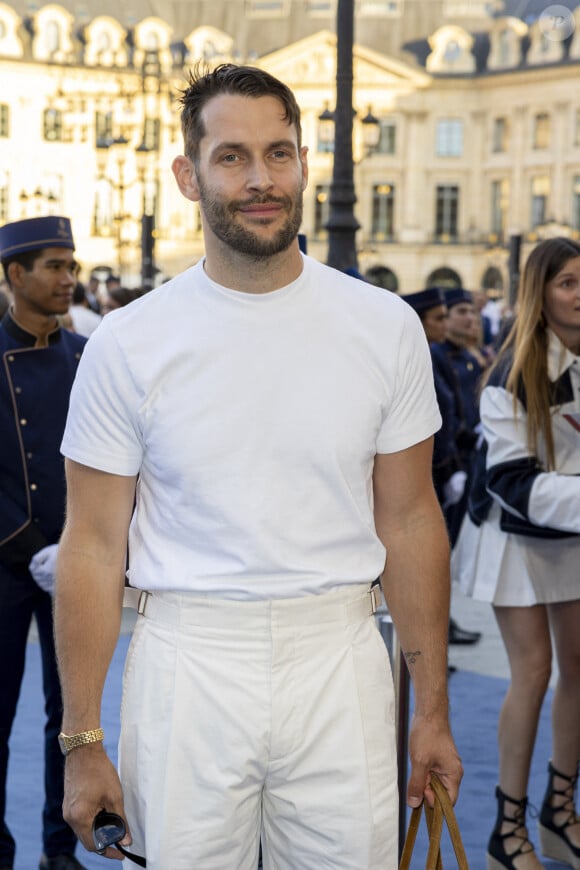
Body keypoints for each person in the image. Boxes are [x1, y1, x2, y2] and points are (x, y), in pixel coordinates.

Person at [54, 63, 462, 869]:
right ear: (189, 174)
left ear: (305, 162)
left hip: (341, 656)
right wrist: (82, 739)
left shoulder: (383, 328)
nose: (262, 179)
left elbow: (410, 517)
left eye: (280, 153)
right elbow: (93, 547)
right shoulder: (128, 344)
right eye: (233, 157)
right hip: (188, 662)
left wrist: (434, 711)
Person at [452, 237, 580, 870]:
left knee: (578, 669)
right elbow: (512, 481)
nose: (579, 294)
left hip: (572, 532)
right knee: (532, 673)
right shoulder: (511, 372)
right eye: (566, 283)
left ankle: (559, 812)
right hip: (514, 536)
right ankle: (509, 831)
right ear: (540, 293)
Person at [0, 216, 87, 870]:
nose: (68, 279)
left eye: (72, 266)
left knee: (74, 723)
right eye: (54, 266)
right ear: (14, 275)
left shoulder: (87, 354)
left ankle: (61, 850)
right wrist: (29, 545)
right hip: (4, 564)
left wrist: (83, 544)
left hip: (76, 563)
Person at [402, 288, 481, 647]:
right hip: (434, 468)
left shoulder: (454, 355)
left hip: (452, 464)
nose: (448, 322)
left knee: (439, 553)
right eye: (440, 317)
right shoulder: (429, 355)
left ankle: (440, 627)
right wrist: (448, 468)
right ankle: (427, 635)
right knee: (427, 557)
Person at [430, 288, 484, 547]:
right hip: (454, 460)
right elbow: (445, 412)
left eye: (472, 311)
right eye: (461, 311)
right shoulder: (436, 354)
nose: (470, 318)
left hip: (472, 457)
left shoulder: (469, 355)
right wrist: (452, 468)